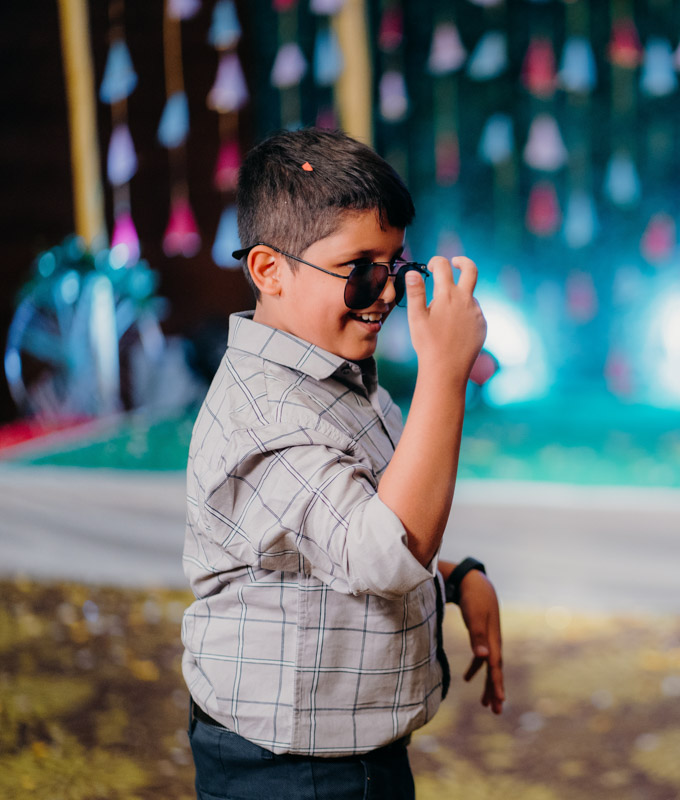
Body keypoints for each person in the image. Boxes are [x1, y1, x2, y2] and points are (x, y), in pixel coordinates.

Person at [181, 127, 501, 799]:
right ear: (269, 270)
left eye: (394, 265)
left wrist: (452, 576)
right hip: (290, 769)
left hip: (342, 743)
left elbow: (342, 532)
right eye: (359, 268)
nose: (385, 292)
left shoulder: (339, 376)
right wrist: (445, 373)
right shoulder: (267, 415)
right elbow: (384, 555)